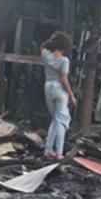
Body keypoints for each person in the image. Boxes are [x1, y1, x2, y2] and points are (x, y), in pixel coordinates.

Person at [40, 31, 76, 160]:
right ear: (65, 47)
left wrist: (50, 39)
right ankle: (59, 152)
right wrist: (71, 95)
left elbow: (42, 46)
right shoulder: (64, 60)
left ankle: (48, 150)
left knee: (56, 119)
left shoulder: (46, 55)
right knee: (62, 122)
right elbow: (64, 80)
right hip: (59, 88)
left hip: (48, 87)